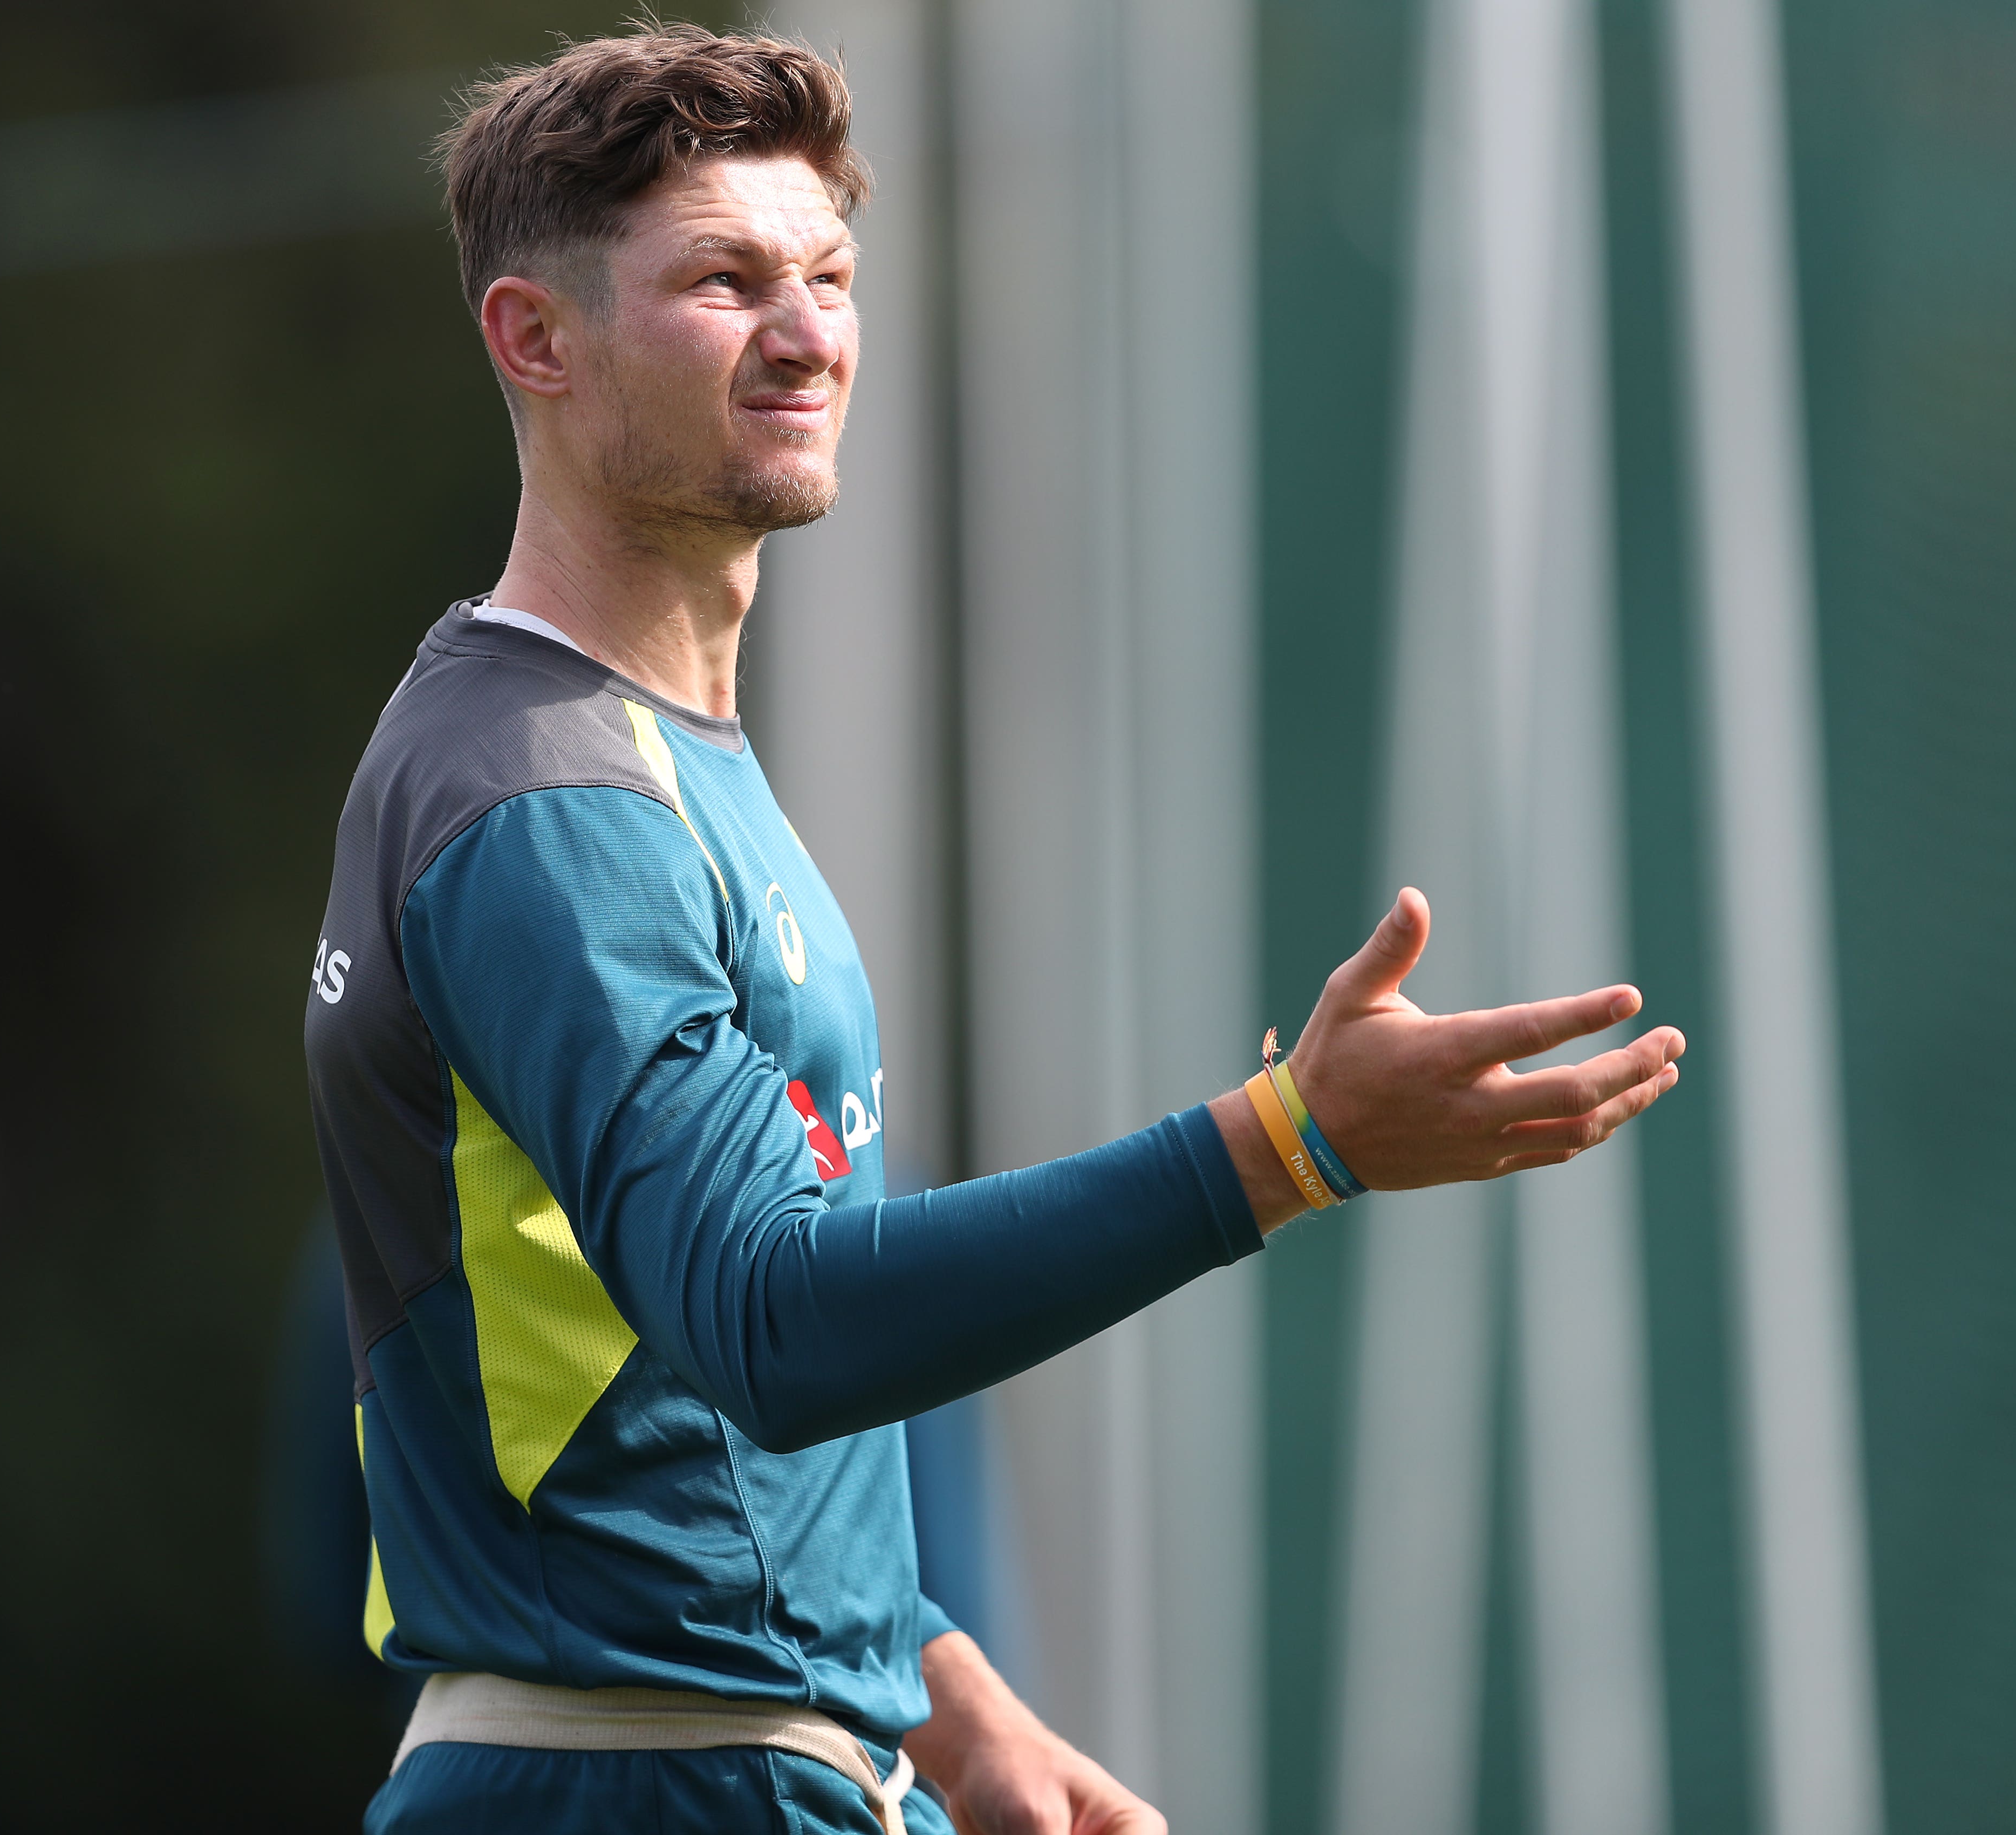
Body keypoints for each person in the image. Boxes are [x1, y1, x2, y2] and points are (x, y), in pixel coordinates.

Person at [304, 25, 1685, 1834]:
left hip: (714, 1756)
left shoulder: (631, 760)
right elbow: (773, 1322)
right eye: (723, 280)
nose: (805, 332)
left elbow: (661, 1386)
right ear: (534, 339)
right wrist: (1283, 1146)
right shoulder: (551, 806)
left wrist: (945, 1704)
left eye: (827, 275)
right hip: (646, 1789)